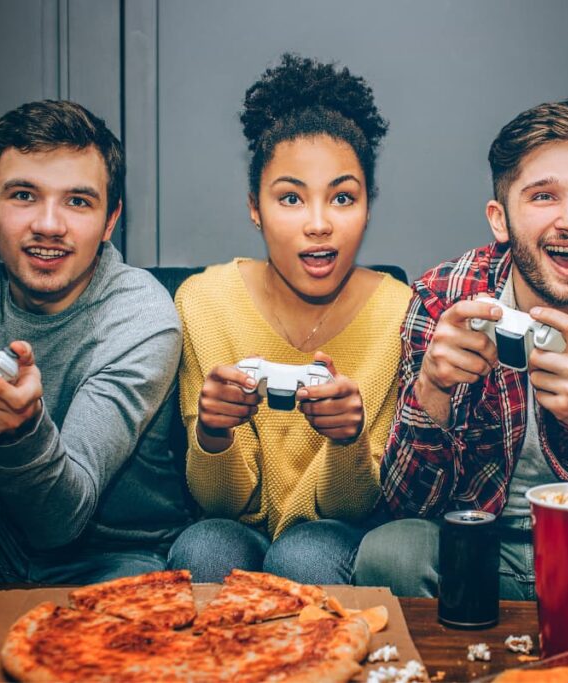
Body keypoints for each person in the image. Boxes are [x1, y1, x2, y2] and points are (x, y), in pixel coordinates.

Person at [353, 100, 568, 601]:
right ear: (500, 220)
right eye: (543, 196)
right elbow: (404, 505)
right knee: (392, 549)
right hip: (472, 546)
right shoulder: (444, 297)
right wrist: (432, 392)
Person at [0, 100, 193, 583]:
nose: (49, 224)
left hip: (118, 555)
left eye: (78, 201)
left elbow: (59, 522)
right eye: (24, 195)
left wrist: (22, 432)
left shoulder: (141, 316)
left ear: (110, 221)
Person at [167, 54, 412, 584]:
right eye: (291, 198)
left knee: (306, 555)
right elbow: (220, 502)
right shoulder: (204, 302)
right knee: (204, 546)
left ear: (368, 206)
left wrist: (348, 443)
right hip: (234, 523)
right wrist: (212, 433)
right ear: (255, 206)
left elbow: (352, 506)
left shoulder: (401, 313)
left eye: (342, 197)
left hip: (335, 529)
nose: (319, 224)